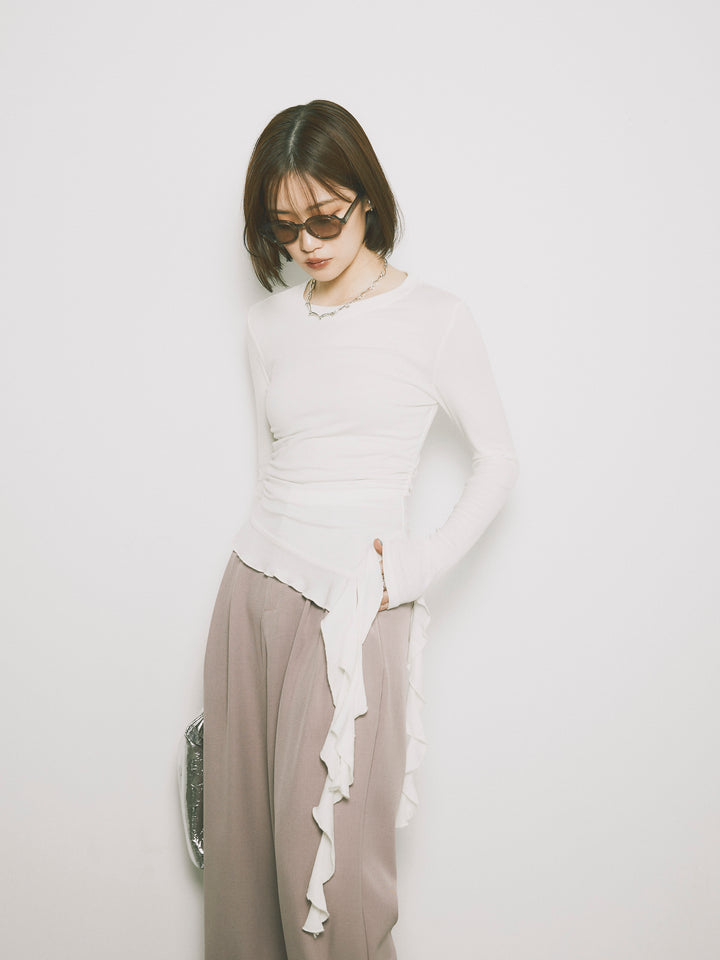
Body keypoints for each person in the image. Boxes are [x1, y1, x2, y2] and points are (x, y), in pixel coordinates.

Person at [202, 99, 519, 960]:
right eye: (284, 226)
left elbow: (498, 460)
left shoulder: (435, 317)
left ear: (367, 198)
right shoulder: (268, 325)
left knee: (330, 877)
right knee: (241, 862)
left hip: (355, 605)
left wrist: (417, 566)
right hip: (251, 591)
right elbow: (275, 466)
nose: (306, 243)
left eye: (325, 218)